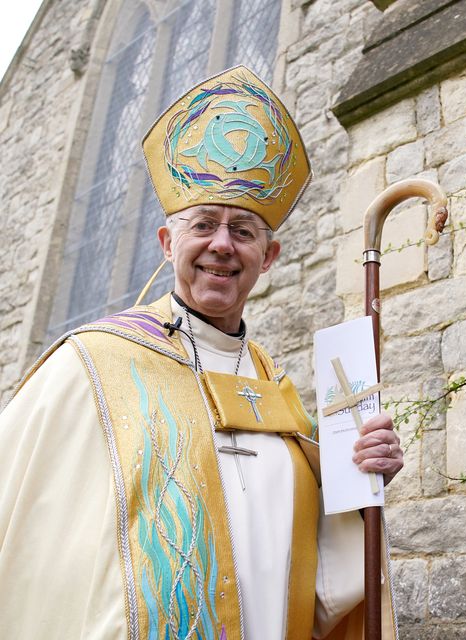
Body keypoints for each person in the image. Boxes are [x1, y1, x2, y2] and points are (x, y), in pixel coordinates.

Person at [0, 66, 403, 640]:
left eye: (243, 230)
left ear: (269, 257)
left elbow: (323, 587)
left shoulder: (281, 399)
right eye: (204, 225)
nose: (222, 244)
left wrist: (362, 484)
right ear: (168, 244)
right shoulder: (91, 366)